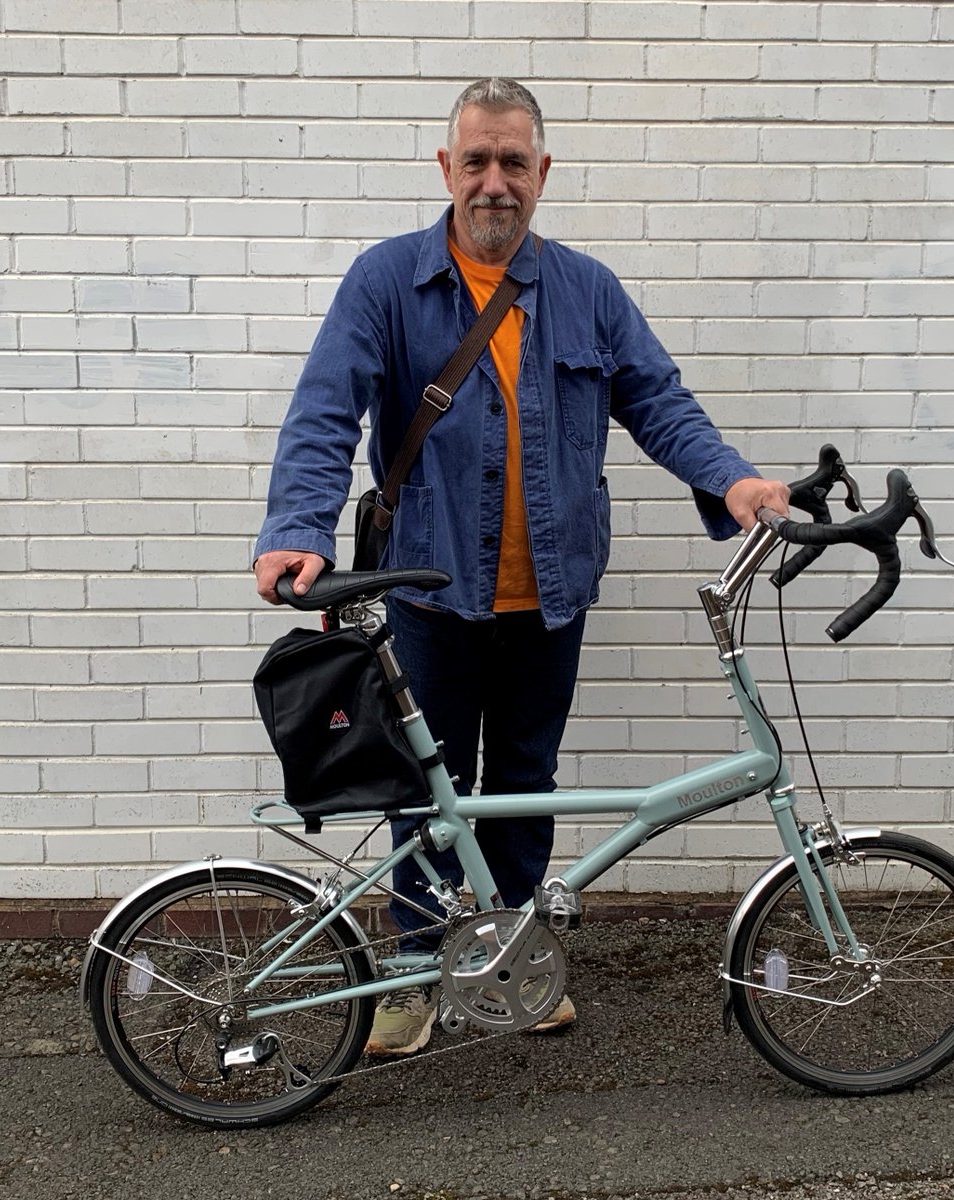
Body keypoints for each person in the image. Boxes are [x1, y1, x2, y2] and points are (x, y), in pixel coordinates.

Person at [253, 78, 789, 1056]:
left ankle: (513, 957)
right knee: (430, 790)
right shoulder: (387, 283)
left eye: (513, 164)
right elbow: (325, 411)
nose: (494, 182)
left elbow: (659, 405)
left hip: (553, 592)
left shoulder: (587, 290)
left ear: (542, 174)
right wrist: (297, 526)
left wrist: (735, 482)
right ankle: (418, 974)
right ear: (446, 170)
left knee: (527, 778)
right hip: (429, 587)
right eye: (477, 162)